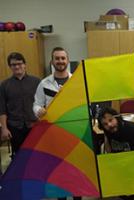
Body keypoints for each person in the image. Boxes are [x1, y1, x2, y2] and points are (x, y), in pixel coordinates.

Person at [33, 47, 81, 200]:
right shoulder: (44, 83)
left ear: (67, 60)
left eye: (63, 58)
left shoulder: (76, 82)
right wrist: (38, 110)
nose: (60, 61)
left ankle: (77, 196)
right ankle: (61, 197)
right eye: (57, 58)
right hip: (54, 133)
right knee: (59, 168)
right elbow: (36, 104)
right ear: (52, 61)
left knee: (75, 168)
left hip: (74, 131)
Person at [0, 52, 40, 158]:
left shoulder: (37, 82)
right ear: (10, 67)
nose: (17, 66)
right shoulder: (4, 85)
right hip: (15, 128)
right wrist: (4, 128)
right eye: (13, 65)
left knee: (35, 155)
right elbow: (2, 109)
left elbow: (42, 103)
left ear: (24, 64)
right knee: (19, 157)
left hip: (34, 126)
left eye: (19, 63)